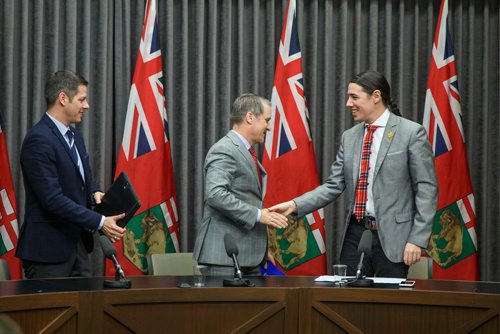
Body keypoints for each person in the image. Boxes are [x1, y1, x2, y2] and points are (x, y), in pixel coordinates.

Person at [270, 70, 438, 278]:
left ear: (376, 96)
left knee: (389, 305)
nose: (348, 103)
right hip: (356, 234)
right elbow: (333, 185)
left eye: (354, 97)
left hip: (396, 238)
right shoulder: (349, 137)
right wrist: (295, 205)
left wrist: (417, 239)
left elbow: (426, 190)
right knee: (347, 301)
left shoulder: (411, 133)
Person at [15, 70, 126, 278]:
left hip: (79, 247)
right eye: (82, 99)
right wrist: (100, 221)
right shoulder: (38, 140)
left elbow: (85, 180)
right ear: (63, 99)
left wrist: (94, 193)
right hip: (47, 253)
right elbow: (52, 199)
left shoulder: (75, 135)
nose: (87, 106)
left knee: (86, 310)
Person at [193, 93, 288, 276]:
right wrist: (259, 215)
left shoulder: (246, 151)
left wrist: (262, 249)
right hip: (223, 258)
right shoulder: (225, 149)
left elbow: (247, 197)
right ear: (250, 117)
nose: (268, 127)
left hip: (248, 256)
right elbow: (215, 194)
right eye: (266, 120)